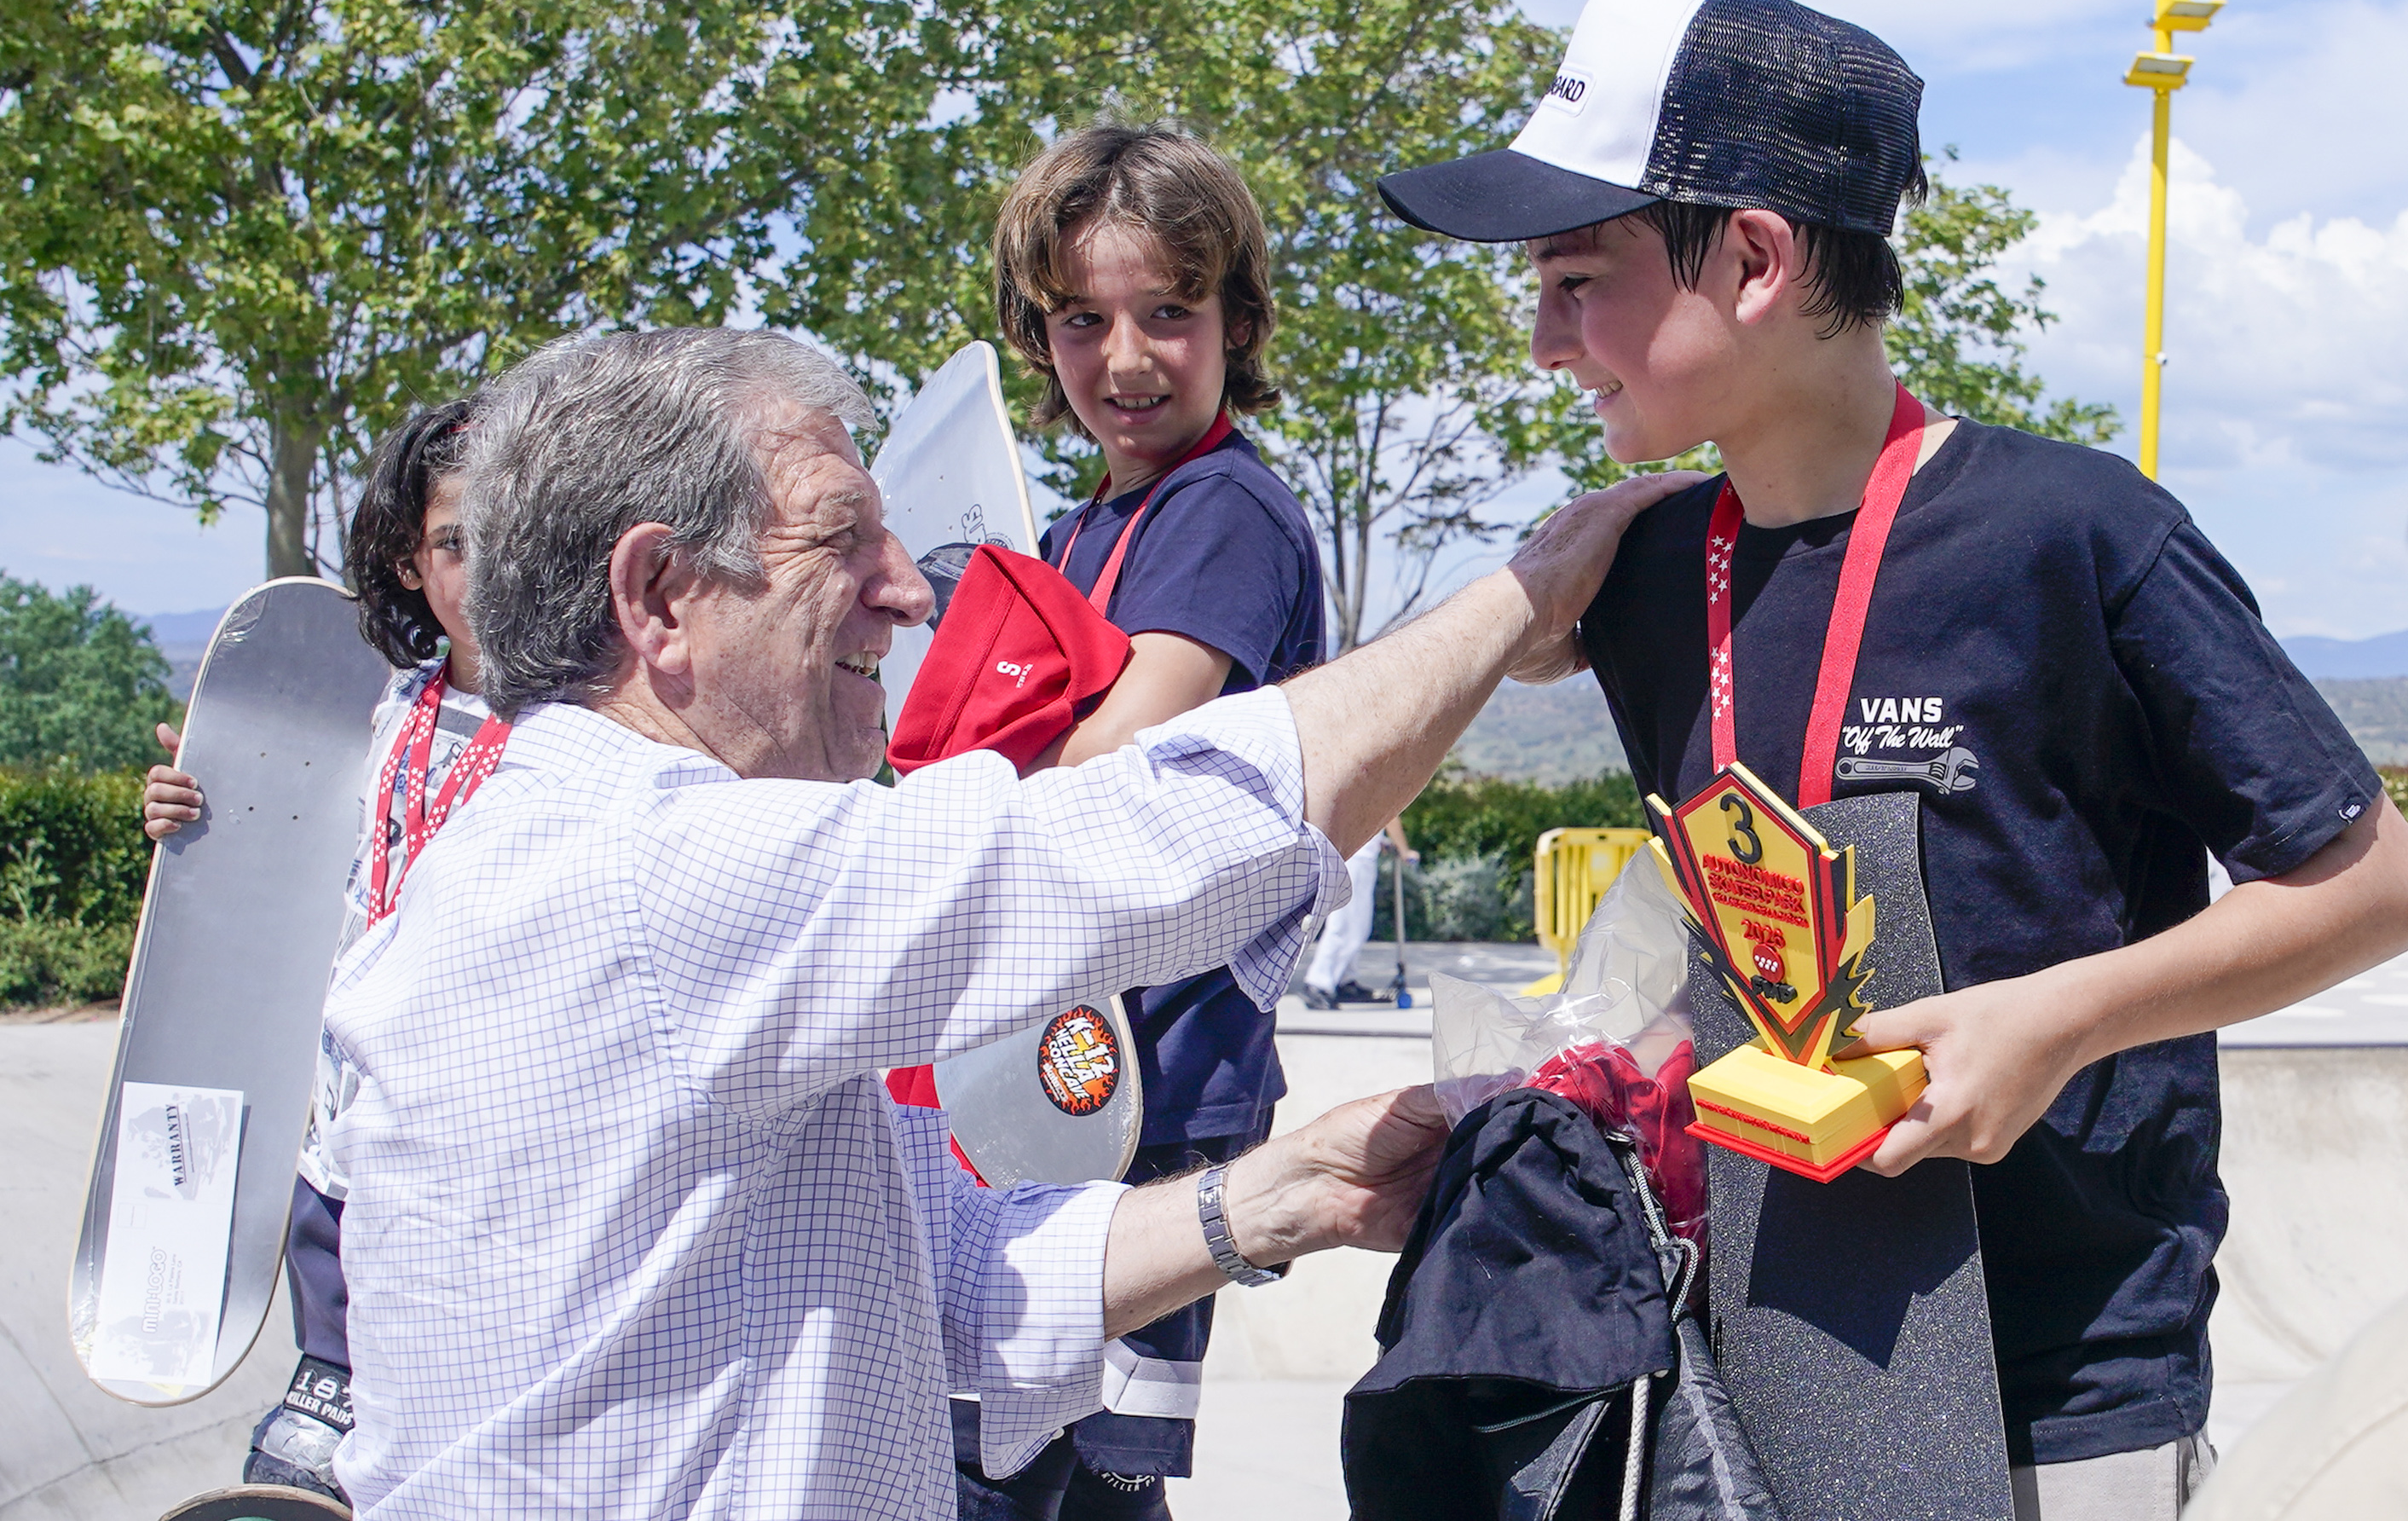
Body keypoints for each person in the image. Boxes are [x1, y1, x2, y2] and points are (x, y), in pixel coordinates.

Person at [316, 325, 1694, 1518]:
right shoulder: (649, 873)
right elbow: (1149, 846)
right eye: (837, 540)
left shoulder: (590, 862)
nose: (911, 591)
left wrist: (1287, 1194)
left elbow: (951, 1265)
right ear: (661, 593)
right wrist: (1520, 600)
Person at [1377, 0, 2408, 1521]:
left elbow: (2369, 879)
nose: (1542, 343)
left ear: (1757, 258)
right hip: (1763, 1336)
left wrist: (2052, 1024)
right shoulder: (1645, 579)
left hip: (2060, 1375)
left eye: (1577, 280)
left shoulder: (2075, 535)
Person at [933, 119, 1328, 1516]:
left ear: (1238, 318)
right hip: (1067, 1067)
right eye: (1082, 321)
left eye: (1170, 311)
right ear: (1039, 339)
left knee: (1056, 1470)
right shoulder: (1087, 521)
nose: (1127, 357)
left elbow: (1108, 767)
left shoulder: (1220, 508)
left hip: (1152, 1089)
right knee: (1052, 1469)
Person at [139, 398, 497, 1501]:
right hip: (342, 1162)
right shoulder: (363, 717)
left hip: (490, 1180)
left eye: (516, 526)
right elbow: (261, 869)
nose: (489, 563)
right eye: (454, 540)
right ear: (406, 561)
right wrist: (196, 805)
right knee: (319, 1449)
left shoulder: (595, 729)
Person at [1299, 817, 1415, 1008]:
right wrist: (1404, 850)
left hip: (1357, 854)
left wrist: (1380, 840)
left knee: (1358, 926)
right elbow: (1390, 815)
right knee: (1346, 925)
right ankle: (1318, 984)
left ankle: (1345, 980)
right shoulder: (1380, 785)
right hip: (1355, 858)